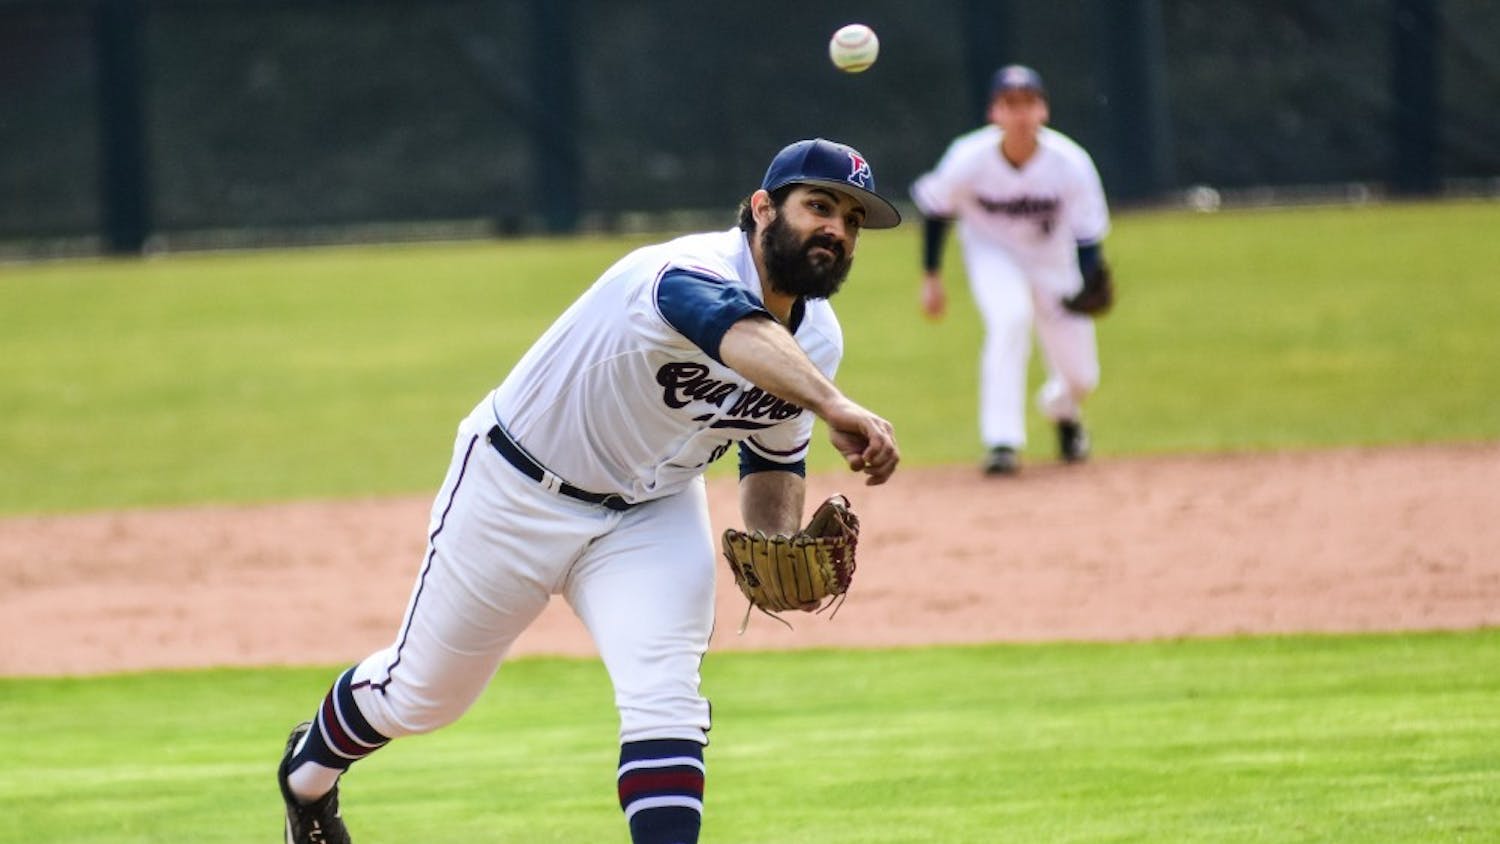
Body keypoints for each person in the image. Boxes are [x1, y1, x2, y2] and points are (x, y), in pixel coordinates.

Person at [276, 137, 902, 844]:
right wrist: (836, 405)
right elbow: (728, 326)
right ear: (762, 210)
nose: (836, 230)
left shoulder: (817, 342)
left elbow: (771, 457)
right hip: (515, 492)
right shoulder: (680, 271)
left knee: (666, 699)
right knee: (423, 695)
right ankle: (307, 777)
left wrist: (779, 542)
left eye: (852, 221)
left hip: (651, 515)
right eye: (819, 206)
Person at [910, 64, 1113, 476]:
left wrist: (1091, 277)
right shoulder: (967, 157)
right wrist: (931, 276)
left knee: (1081, 376)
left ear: (1044, 112)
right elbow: (935, 210)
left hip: (1052, 261)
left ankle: (1063, 412)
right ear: (994, 114)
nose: (1020, 114)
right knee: (1010, 319)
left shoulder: (1070, 163)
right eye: (1010, 104)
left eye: (1029, 104)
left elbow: (1088, 236)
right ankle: (1002, 441)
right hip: (991, 255)